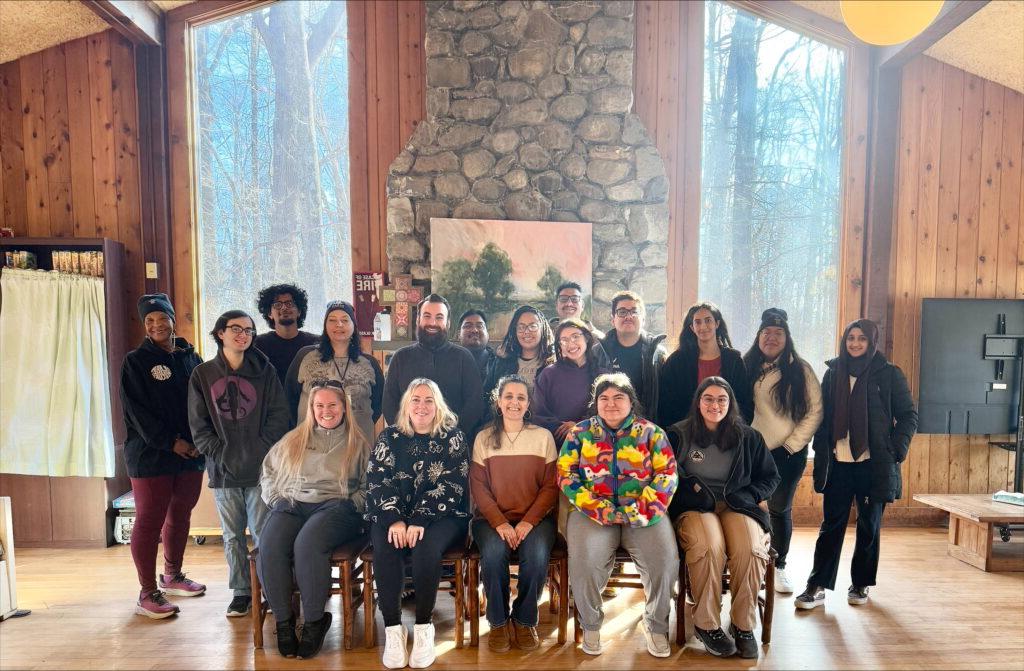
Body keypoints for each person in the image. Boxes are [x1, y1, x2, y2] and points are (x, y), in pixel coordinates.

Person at [795, 319, 918, 611]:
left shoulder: (889, 375)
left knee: (869, 525)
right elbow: (822, 416)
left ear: (872, 342)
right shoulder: (833, 373)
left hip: (872, 464)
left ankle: (861, 582)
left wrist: (896, 449)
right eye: (851, 338)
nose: (855, 344)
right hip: (838, 463)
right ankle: (817, 584)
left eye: (862, 339)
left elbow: (908, 416)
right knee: (831, 526)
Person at [559, 373, 678, 658]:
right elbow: (565, 474)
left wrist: (636, 511)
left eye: (618, 398)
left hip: (644, 512)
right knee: (584, 560)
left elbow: (667, 475)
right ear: (596, 403)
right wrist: (601, 509)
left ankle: (656, 624)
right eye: (604, 399)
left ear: (631, 401)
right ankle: (590, 625)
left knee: (665, 559)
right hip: (593, 513)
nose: (611, 404)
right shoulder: (580, 434)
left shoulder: (651, 433)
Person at [667, 377, 780, 659]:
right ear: (698, 402)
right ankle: (707, 624)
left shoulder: (748, 436)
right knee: (708, 546)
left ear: (730, 404)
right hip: (696, 507)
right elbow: (666, 475)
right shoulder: (678, 434)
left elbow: (771, 476)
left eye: (721, 399)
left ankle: (743, 625)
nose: (714, 404)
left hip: (736, 505)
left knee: (750, 549)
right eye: (708, 398)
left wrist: (751, 495)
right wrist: (688, 490)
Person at [188, 309, 290, 617]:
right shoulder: (203, 375)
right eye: (236, 329)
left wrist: (262, 449)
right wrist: (219, 452)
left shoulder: (264, 370)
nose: (242, 335)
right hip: (223, 470)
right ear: (220, 333)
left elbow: (278, 414)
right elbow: (198, 424)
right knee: (232, 536)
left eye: (248, 330)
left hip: (260, 469)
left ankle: (267, 588)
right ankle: (242, 592)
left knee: (263, 532)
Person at [258, 380, 369, 659]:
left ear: (344, 407)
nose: (326, 411)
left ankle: (315, 621)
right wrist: (275, 499)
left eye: (332, 404)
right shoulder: (295, 438)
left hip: (336, 507)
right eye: (319, 405)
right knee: (269, 545)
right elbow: (268, 471)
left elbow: (372, 486)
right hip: (293, 503)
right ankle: (284, 622)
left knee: (307, 543)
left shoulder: (358, 443)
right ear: (311, 408)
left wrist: (353, 503)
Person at [365, 378, 470, 669]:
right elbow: (377, 480)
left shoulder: (453, 437)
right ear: (406, 405)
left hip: (442, 515)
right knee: (386, 547)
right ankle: (393, 629)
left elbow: (453, 484)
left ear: (438, 405)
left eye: (428, 400)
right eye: (416, 400)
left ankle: (424, 627)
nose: (422, 406)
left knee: (425, 549)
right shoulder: (389, 437)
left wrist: (421, 518)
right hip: (393, 514)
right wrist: (395, 519)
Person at [120, 294, 206, 619]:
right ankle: (146, 592)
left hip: (192, 452)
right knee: (149, 520)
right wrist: (172, 442)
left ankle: (172, 575)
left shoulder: (189, 356)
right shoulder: (136, 362)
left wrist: (201, 439)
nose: (157, 325)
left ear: (172, 319)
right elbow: (137, 413)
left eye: (162, 318)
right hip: (151, 455)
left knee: (181, 513)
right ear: (144, 326)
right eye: (149, 321)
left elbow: (204, 402)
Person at [470, 375, 558, 653]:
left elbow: (550, 487)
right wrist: (500, 523)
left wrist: (529, 522)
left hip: (536, 520)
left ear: (528, 403)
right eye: (508, 396)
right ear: (498, 401)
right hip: (491, 521)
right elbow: (478, 488)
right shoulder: (483, 438)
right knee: (494, 555)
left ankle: (524, 619)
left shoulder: (542, 437)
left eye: (521, 397)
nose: (514, 402)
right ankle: (497, 621)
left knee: (537, 555)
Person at [742, 308, 823, 594]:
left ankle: (778, 567)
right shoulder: (745, 365)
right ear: (758, 337)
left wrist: (792, 445)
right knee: (746, 508)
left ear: (787, 338)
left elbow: (815, 411)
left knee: (779, 509)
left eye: (778, 333)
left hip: (788, 452)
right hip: (750, 452)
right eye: (766, 333)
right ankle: (750, 564)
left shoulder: (801, 370)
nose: (772, 338)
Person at [382, 294, 485, 438]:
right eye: (427, 316)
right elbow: (389, 404)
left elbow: (475, 404)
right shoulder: (401, 358)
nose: (433, 323)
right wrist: (407, 436)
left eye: (439, 317)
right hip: (407, 443)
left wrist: (450, 436)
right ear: (418, 320)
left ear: (448, 323)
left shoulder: (464, 357)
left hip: (453, 445)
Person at [285, 300, 384, 444]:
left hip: (357, 444)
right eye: (332, 320)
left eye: (345, 320)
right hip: (311, 444)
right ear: (325, 325)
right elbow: (289, 399)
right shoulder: (305, 357)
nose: (339, 324)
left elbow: (378, 404)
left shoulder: (370, 363)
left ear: (353, 326)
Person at [657, 302, 753, 429]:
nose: (703, 326)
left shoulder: (734, 361)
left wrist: (730, 429)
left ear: (717, 323)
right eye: (698, 322)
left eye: (708, 320)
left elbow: (744, 402)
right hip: (687, 435)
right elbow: (666, 402)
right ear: (692, 327)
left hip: (728, 435)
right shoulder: (677, 361)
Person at [532, 319, 609, 443]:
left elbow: (609, 412)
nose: (570, 343)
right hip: (557, 444)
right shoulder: (548, 374)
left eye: (575, 337)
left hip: (593, 446)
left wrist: (578, 426)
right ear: (559, 345)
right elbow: (538, 413)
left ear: (587, 338)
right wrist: (563, 429)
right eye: (564, 340)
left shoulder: (603, 375)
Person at [600, 291, 667, 418]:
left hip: (648, 426)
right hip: (608, 424)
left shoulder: (658, 354)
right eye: (622, 312)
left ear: (643, 319)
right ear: (613, 320)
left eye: (634, 312)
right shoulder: (598, 353)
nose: (628, 316)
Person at [482, 305, 555, 398]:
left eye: (533, 326)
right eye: (521, 327)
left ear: (543, 329)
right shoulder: (501, 362)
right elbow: (486, 396)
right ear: (515, 331)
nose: (527, 331)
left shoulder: (553, 364)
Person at [254, 284, 319, 385]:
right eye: (277, 304)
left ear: (299, 311)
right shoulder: (258, 344)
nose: (284, 308)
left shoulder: (315, 343)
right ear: (269, 313)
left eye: (289, 303)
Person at [458, 309, 496, 382]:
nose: (474, 330)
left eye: (480, 326)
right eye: (468, 326)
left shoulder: (499, 363)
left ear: (488, 335)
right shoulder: (448, 363)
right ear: (458, 335)